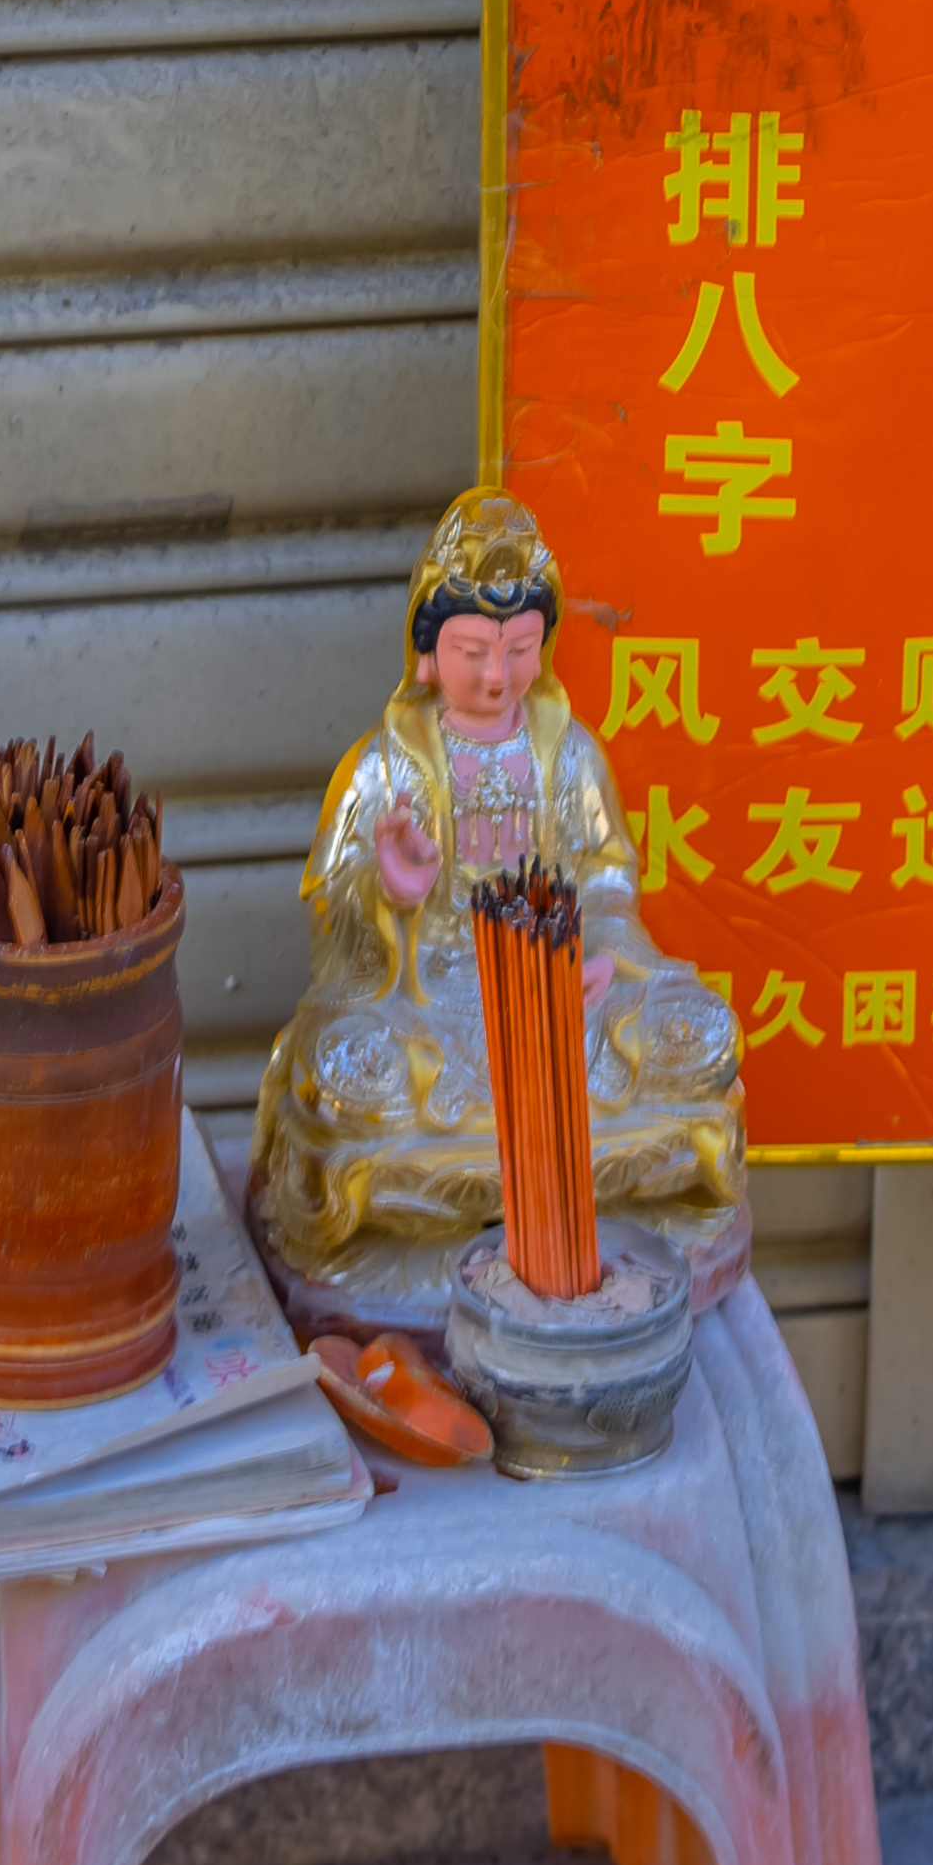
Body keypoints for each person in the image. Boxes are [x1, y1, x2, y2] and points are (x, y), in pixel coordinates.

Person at [250, 492, 745, 1314]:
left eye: (519, 650)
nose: (496, 676)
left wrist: (602, 953)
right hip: (429, 1005)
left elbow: (608, 878)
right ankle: (557, 1200)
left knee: (701, 1035)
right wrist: (390, 890)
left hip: (565, 1002)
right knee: (346, 1073)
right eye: (473, 650)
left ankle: (525, 1204)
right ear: (427, 653)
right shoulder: (382, 768)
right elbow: (332, 905)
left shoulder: (571, 757)